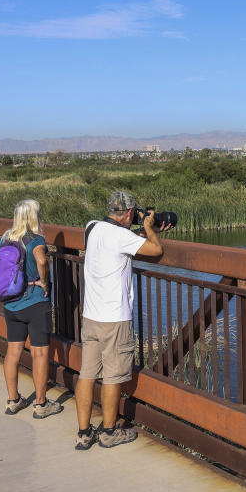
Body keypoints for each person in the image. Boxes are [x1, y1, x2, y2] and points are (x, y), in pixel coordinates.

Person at [75, 190, 166, 449]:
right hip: (114, 318)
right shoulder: (121, 236)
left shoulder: (92, 227)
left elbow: (118, 239)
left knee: (87, 374)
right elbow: (156, 250)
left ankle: (83, 433)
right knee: (113, 376)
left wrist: (140, 230)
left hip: (91, 315)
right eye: (134, 213)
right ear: (128, 213)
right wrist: (150, 227)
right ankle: (108, 431)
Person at [0, 199, 62, 419]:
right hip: (34, 303)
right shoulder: (36, 240)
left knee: (13, 351)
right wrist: (44, 282)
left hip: (11, 304)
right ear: (35, 217)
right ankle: (41, 405)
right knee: (40, 353)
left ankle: (13, 400)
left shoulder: (5, 238)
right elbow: (42, 260)